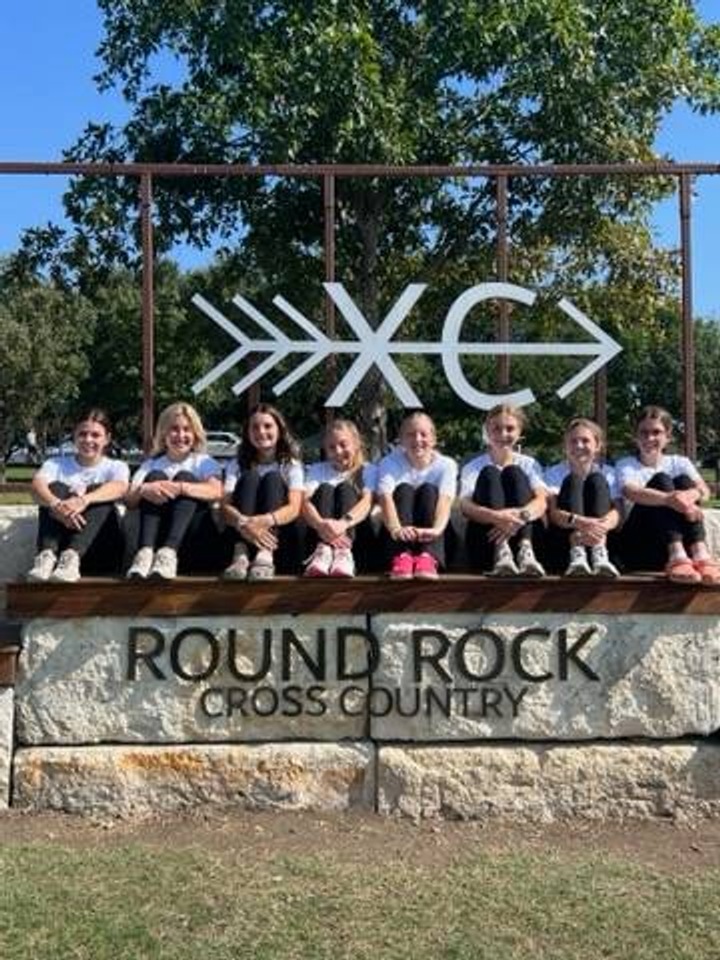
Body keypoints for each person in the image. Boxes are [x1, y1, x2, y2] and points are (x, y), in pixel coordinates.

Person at [616, 405, 720, 584]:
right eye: (644, 432)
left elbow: (704, 491)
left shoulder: (680, 462)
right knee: (661, 480)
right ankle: (676, 555)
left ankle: (700, 554)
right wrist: (669, 499)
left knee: (684, 482)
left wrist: (689, 497)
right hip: (642, 544)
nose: (650, 437)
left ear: (667, 437)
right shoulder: (626, 464)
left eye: (657, 432)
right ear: (636, 437)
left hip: (684, 546)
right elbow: (630, 491)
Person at [27, 409, 129, 583]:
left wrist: (84, 500)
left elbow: (120, 487)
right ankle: (47, 555)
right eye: (83, 434)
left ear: (107, 439)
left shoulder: (116, 466)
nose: (88, 440)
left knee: (99, 492)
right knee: (54, 489)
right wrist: (58, 506)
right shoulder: (55, 464)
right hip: (59, 557)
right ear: (74, 436)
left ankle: (73, 554)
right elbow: (36, 486)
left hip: (101, 552)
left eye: (95, 435)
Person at [125, 402, 223, 580]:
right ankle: (145, 552)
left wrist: (181, 488)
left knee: (185, 476)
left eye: (187, 429)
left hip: (194, 541)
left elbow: (217, 491)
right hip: (157, 546)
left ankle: (170, 551)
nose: (181, 435)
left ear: (195, 433)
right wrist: (143, 490)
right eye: (174, 429)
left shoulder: (203, 462)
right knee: (154, 478)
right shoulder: (151, 464)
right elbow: (130, 500)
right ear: (163, 433)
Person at [460, 404, 546, 577]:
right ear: (487, 431)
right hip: (489, 543)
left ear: (519, 431)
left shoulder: (529, 464)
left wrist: (518, 517)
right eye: (496, 429)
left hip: (524, 537)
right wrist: (496, 517)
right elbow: (465, 506)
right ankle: (501, 549)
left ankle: (525, 551)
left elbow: (542, 501)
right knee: (490, 472)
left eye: (510, 429)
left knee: (513, 472)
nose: (503, 434)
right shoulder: (473, 467)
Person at [222, 403, 303, 580]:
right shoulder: (236, 464)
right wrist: (244, 524)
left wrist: (264, 521)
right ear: (247, 432)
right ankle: (241, 555)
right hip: (242, 535)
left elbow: (295, 507)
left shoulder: (291, 465)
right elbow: (225, 507)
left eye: (268, 426)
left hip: (276, 541)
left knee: (273, 478)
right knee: (250, 477)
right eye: (255, 427)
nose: (261, 431)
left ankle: (265, 553)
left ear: (279, 430)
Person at [377, 411, 457, 580]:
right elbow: (385, 498)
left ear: (434, 439)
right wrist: (396, 529)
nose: (417, 440)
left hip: (435, 537)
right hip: (397, 537)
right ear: (402, 440)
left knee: (428, 490)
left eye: (423, 434)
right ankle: (402, 557)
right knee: (404, 489)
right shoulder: (389, 462)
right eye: (411, 435)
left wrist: (435, 531)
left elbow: (445, 501)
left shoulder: (446, 465)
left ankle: (427, 558)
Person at [544, 417, 621, 577]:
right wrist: (580, 522)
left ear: (597, 445)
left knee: (597, 479)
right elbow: (554, 514)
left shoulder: (609, 473)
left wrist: (599, 529)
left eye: (585, 441)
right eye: (573, 441)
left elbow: (617, 512)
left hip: (602, 541)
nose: (579, 446)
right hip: (566, 541)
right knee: (573, 480)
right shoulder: (553, 473)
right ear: (565, 446)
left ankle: (599, 553)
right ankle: (577, 552)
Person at [302, 419, 377, 578]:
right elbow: (304, 501)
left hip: (355, 539)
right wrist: (320, 525)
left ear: (356, 444)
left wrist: (343, 524)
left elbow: (367, 501)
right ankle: (324, 551)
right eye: (331, 447)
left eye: (343, 445)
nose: (337, 451)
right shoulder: (317, 469)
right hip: (320, 536)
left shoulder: (368, 470)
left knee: (345, 489)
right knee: (325, 489)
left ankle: (343, 553)